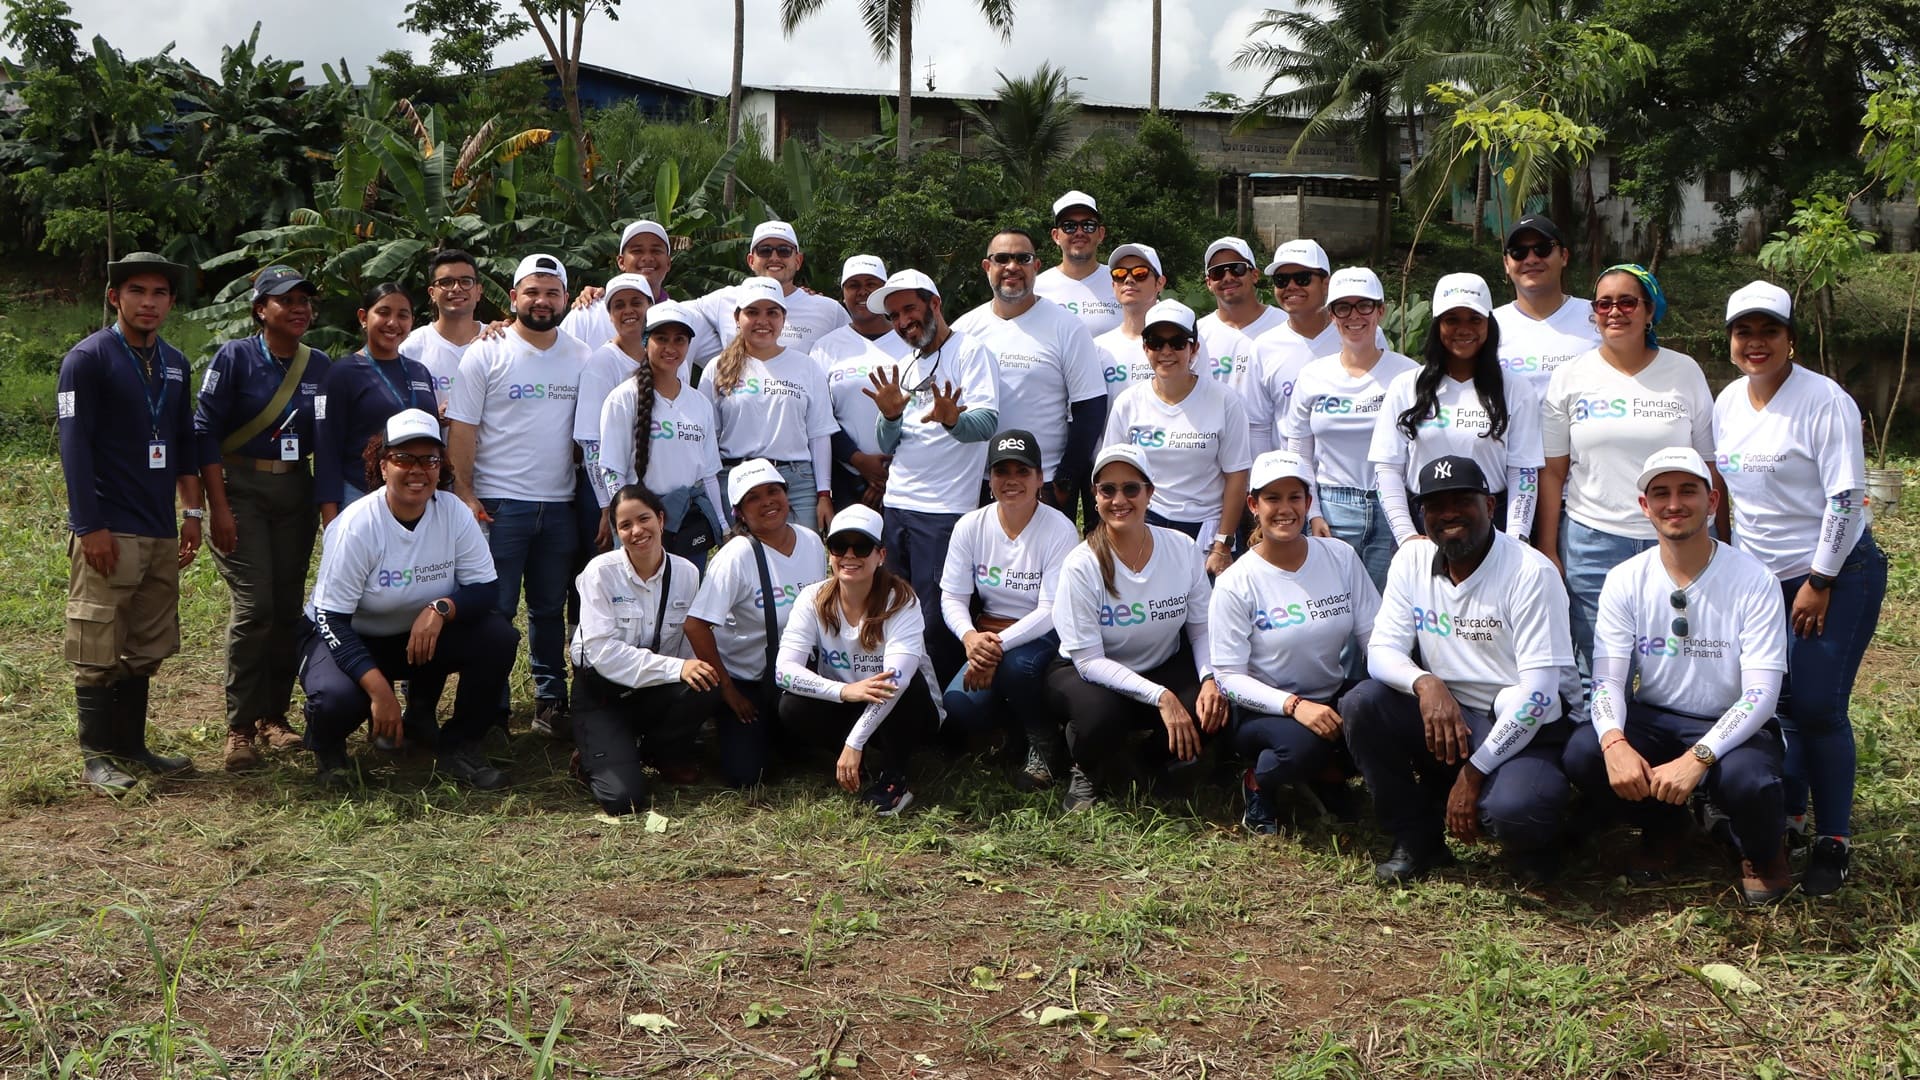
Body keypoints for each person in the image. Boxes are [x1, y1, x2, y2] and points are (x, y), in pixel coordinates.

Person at [1713, 280, 1886, 896]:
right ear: (1730, 340)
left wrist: (1819, 580)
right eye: (1744, 332)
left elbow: (1844, 498)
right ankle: (1788, 814)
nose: (1755, 343)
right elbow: (1727, 493)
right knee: (1780, 706)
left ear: (1790, 338)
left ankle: (1832, 839)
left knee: (1817, 707)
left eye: (1768, 331)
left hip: (1833, 575)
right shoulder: (1729, 401)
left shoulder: (1824, 400)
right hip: (1763, 580)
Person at [1562, 448, 1792, 904]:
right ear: (1644, 507)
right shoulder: (1626, 579)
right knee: (1585, 753)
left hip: (1734, 721)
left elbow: (1763, 693)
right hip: (1658, 716)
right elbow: (1608, 681)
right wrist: (1615, 743)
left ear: (1713, 502)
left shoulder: (1754, 579)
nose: (1674, 504)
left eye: (1688, 491)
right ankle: (1667, 828)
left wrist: (1699, 757)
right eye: (1660, 493)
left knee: (1751, 780)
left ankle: (1764, 853)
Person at [1344, 456, 1579, 883]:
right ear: (1422, 515)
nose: (1449, 513)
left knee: (1516, 811)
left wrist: (1473, 775)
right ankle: (1417, 838)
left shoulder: (1531, 572)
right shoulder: (1412, 559)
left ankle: (1543, 834)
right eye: (1435, 505)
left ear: (1490, 506)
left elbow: (1540, 694)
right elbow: (1380, 651)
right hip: (1450, 715)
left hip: (1527, 722)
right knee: (1363, 702)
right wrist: (1426, 682)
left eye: (1462, 501)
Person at [299, 409, 520, 789]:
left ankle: (460, 746)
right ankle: (328, 748)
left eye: (429, 460)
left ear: (440, 466)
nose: (417, 470)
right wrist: (381, 693)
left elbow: (485, 590)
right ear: (383, 465)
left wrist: (441, 609)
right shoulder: (357, 525)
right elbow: (331, 619)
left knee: (498, 638)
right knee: (336, 699)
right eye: (403, 458)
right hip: (350, 635)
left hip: (415, 636)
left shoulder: (453, 513)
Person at [1537, 263, 1716, 713]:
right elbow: (1553, 471)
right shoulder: (1571, 376)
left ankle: (1665, 755)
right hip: (1591, 540)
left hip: (1674, 543)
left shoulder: (1684, 372)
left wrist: (1719, 540)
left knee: (1674, 657)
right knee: (1596, 660)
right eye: (1604, 303)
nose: (1614, 311)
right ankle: (1596, 758)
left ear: (1649, 311)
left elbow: (1710, 467)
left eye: (1627, 301)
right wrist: (1549, 547)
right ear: (1593, 314)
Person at [57, 252, 204, 794]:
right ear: (115, 297)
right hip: (108, 525)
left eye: (160, 293)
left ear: (170, 301)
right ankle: (97, 758)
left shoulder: (174, 362)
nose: (149, 302)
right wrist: (88, 524)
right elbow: (74, 446)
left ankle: (131, 746)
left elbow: (185, 440)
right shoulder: (87, 359)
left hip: (159, 527)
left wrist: (191, 513)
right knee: (97, 641)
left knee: (146, 641)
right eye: (137, 291)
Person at [194, 263, 331, 772]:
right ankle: (239, 727)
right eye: (285, 300)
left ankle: (275, 718)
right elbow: (204, 432)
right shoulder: (233, 357)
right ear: (260, 310)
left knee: (286, 607)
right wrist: (218, 507)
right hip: (241, 488)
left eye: (304, 301)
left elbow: (330, 438)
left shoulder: (319, 366)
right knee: (254, 608)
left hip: (295, 489)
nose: (298, 308)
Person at [447, 253, 587, 737]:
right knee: (496, 611)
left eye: (552, 292)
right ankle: (493, 708)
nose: (542, 301)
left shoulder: (580, 355)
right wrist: (465, 491)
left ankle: (551, 702)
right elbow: (461, 428)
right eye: (532, 291)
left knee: (550, 609)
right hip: (498, 504)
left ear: (566, 299)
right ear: (513, 298)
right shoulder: (487, 351)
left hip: (560, 503)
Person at [1045, 445, 1226, 811]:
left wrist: (1209, 678)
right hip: (1089, 674)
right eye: (1107, 489)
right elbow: (1089, 661)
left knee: (1215, 707)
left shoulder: (1182, 548)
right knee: (1100, 717)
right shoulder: (1082, 564)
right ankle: (1087, 764)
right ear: (1094, 497)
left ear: (1149, 494)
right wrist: (1161, 696)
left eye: (1131, 488)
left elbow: (1202, 628)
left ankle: (1148, 761)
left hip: (1160, 664)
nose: (1118, 499)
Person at [1211, 451, 1380, 833]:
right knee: (1302, 749)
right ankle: (1258, 781)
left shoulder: (1339, 556)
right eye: (1272, 498)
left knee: (1382, 716)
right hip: (1265, 709)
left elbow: (1375, 636)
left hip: (1330, 693)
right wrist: (1294, 706)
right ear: (1253, 505)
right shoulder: (1236, 581)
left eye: (1294, 497)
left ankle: (1329, 775)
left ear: (1308, 503)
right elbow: (1229, 678)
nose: (1284, 509)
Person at [866, 268, 1001, 681]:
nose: (903, 321)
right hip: (897, 506)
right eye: (893, 316)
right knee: (893, 606)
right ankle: (907, 693)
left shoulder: (971, 352)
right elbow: (888, 443)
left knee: (935, 613)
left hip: (944, 511)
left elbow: (987, 423)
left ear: (935, 305)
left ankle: (943, 704)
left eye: (909, 309)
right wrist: (889, 416)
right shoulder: (904, 364)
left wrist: (953, 421)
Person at [938, 430, 1080, 788]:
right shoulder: (970, 525)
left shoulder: (1060, 529)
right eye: (1002, 471)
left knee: (1019, 668)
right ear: (990, 479)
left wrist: (993, 649)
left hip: (1042, 633)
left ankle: (1045, 741)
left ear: (1040, 479)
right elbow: (951, 597)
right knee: (958, 705)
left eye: (1023, 471)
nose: (1012, 480)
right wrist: (971, 638)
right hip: (987, 633)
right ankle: (1014, 731)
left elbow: (1050, 609)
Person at [569, 485, 721, 814]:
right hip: (602, 693)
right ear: (616, 531)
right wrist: (676, 669)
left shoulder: (686, 572)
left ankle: (664, 752)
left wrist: (685, 670)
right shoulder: (600, 573)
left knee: (705, 684)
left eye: (644, 519)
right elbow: (603, 655)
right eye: (625, 525)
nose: (637, 531)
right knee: (623, 801)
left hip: (653, 689)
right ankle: (598, 751)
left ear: (661, 520)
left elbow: (686, 646)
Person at [775, 504, 933, 815]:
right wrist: (844, 691)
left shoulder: (902, 601)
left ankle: (895, 775)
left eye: (861, 547)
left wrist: (855, 742)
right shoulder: (812, 598)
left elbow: (895, 682)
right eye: (838, 546)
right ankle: (857, 764)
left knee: (905, 685)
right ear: (829, 553)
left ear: (881, 556)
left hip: (907, 709)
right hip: (852, 701)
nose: (849, 555)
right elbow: (783, 672)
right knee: (790, 705)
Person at [683, 459, 830, 788]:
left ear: (787, 495)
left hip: (794, 673)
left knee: (805, 753)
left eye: (773, 491)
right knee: (747, 775)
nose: (767, 501)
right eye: (753, 497)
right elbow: (695, 625)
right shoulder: (735, 556)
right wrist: (729, 692)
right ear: (739, 512)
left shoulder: (810, 542)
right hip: (746, 681)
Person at [1369, 273, 1542, 546]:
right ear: (1437, 325)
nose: (1464, 329)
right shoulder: (1406, 386)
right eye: (1452, 320)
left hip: (1493, 524)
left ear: (1489, 324)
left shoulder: (1516, 389)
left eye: (1474, 319)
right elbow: (1387, 468)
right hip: (1423, 523)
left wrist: (1516, 537)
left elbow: (1524, 472)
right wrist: (1407, 537)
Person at [952, 228, 1108, 515]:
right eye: (1002, 258)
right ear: (988, 267)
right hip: (978, 482)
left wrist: (1066, 477)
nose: (1012, 267)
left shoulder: (1067, 326)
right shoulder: (964, 329)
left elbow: (1090, 406)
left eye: (1022, 258)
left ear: (1036, 266)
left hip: (1045, 483)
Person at [1282, 267, 1418, 591]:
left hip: (1393, 507)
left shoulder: (1409, 374)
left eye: (1365, 306)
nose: (1354, 316)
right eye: (1343, 307)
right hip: (1331, 508)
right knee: (1335, 610)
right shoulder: (1313, 376)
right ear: (1331, 315)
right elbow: (1299, 454)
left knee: (1387, 610)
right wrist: (1312, 512)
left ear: (1381, 311)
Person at [1102, 299, 1251, 576]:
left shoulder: (1224, 401)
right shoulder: (1128, 402)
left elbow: (1237, 476)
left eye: (1177, 342)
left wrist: (1223, 544)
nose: (1166, 351)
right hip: (1147, 525)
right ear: (1145, 347)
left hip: (1206, 529)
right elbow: (1112, 475)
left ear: (1193, 348)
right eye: (1156, 342)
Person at [700, 276, 838, 533]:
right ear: (737, 318)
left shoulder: (806, 367)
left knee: (803, 565)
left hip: (795, 483)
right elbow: (707, 439)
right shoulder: (717, 368)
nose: (762, 321)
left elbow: (819, 435)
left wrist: (823, 494)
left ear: (783, 318)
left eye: (772, 312)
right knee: (746, 565)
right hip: (737, 482)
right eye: (752, 312)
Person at [596, 300, 726, 564]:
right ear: (646, 341)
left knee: (685, 598)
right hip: (640, 527)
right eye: (661, 338)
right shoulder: (623, 399)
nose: (671, 348)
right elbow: (611, 469)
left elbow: (709, 473)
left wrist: (723, 525)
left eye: (680, 340)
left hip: (688, 521)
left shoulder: (699, 403)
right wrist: (627, 522)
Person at [315, 282, 437, 523]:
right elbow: (326, 451)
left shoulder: (419, 371)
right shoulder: (341, 374)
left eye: (403, 315)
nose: (393, 323)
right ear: (363, 317)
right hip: (360, 495)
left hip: (415, 497)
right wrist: (331, 521)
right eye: (383, 312)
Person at [812, 254, 910, 511]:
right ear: (843, 292)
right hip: (846, 476)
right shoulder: (825, 348)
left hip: (907, 474)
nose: (862, 291)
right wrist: (860, 462)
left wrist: (886, 474)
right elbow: (819, 418)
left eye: (871, 284)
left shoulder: (911, 341)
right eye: (853, 285)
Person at [687, 221, 849, 369]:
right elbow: (673, 313)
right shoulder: (724, 300)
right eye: (764, 251)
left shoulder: (828, 310)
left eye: (784, 251)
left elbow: (857, 347)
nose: (774, 257)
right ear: (751, 260)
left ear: (798, 261)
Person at [571, 273, 656, 551]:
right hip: (606, 492)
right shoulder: (602, 363)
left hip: (647, 487)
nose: (628, 310)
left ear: (650, 307)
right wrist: (608, 506)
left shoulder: (663, 356)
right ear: (609, 315)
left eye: (636, 303)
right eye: (619, 305)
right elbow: (591, 443)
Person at [1491, 215, 1599, 399]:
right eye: (1518, 252)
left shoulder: (1598, 317)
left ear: (1564, 256)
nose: (1531, 259)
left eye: (1542, 249)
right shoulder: (1487, 325)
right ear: (1506, 264)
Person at [562, 219, 675, 349]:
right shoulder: (587, 313)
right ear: (621, 262)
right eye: (637, 251)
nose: (647, 258)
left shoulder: (682, 317)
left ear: (668, 262)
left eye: (656, 251)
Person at [402, 248, 485, 415]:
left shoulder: (498, 340)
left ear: (478, 291)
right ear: (432, 293)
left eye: (466, 281)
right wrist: (434, 417)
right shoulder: (410, 348)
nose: (456, 288)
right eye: (446, 282)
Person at [1033, 190, 1122, 337]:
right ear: (1056, 236)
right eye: (1069, 226)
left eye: (1088, 225)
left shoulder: (1122, 282)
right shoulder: (1036, 289)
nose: (1079, 232)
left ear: (1100, 234)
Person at [1091, 243, 1166, 403]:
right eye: (1120, 274)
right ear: (1113, 285)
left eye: (1140, 273)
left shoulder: (1179, 344)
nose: (1129, 280)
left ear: (1160, 283)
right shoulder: (1097, 348)